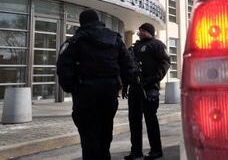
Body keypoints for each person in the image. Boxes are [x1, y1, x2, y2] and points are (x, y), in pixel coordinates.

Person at [56, 9, 136, 160]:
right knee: (105, 134)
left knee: (89, 138)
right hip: (109, 94)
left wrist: (72, 88)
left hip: (85, 95)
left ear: (82, 22)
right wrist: (123, 85)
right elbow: (128, 65)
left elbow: (63, 67)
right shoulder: (116, 39)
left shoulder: (75, 40)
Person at [123, 23, 171, 160]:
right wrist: (126, 85)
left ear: (150, 32)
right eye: (139, 30)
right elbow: (129, 67)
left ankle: (156, 150)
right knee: (134, 121)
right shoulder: (134, 47)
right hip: (135, 89)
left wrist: (153, 79)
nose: (140, 32)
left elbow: (165, 63)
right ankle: (136, 151)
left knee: (151, 120)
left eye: (143, 30)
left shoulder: (157, 45)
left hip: (149, 89)